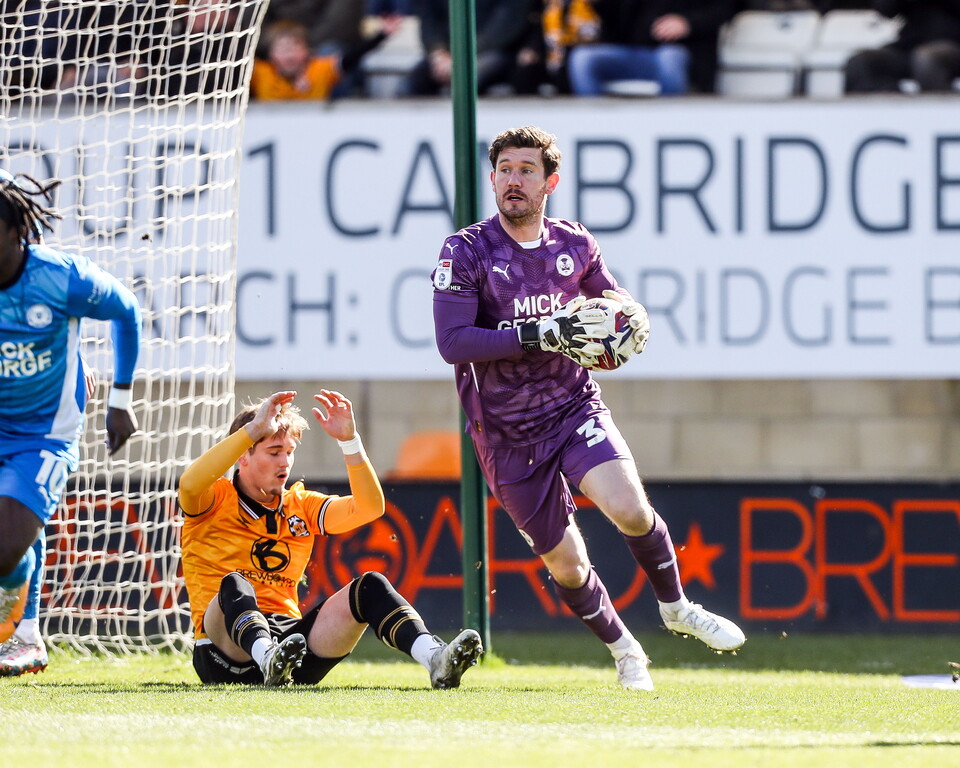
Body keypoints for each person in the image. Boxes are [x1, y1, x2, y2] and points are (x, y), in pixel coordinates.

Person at [431, 126, 746, 691]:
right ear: (493, 178)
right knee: (569, 566)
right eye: (504, 170)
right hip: (505, 433)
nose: (513, 181)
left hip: (573, 407)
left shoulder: (574, 244)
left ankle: (676, 607)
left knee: (629, 508)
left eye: (527, 170)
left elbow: (608, 297)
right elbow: (453, 343)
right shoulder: (467, 250)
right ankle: (627, 653)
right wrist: (542, 331)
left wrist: (628, 312)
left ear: (550, 183)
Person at [178, 389, 483, 688]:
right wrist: (252, 431)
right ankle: (266, 656)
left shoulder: (300, 505)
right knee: (235, 584)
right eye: (274, 452)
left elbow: (369, 508)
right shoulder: (214, 499)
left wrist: (350, 441)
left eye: (289, 452)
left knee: (371, 586)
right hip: (224, 655)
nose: (285, 462)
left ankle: (434, 658)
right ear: (243, 456)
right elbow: (189, 484)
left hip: (290, 653)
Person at [0, 171, 142, 673]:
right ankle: (23, 632)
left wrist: (121, 398)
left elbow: (126, 310)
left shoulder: (61, 278)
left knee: (7, 546)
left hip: (43, 434)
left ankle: (20, 629)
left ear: (17, 230)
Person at [566, 0, 738, 96]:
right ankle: (597, 126)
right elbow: (615, 19)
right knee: (582, 59)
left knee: (669, 58)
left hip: (683, 52)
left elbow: (727, 8)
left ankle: (672, 126)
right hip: (632, 53)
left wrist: (687, 23)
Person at [250, 16, 400, 101]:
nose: (289, 55)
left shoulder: (319, 69)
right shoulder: (261, 72)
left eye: (294, 48)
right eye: (282, 49)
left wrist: (380, 36)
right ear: (271, 54)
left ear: (307, 51)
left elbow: (351, 58)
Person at [844, 0, 960, 93]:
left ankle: (938, 114)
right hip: (910, 45)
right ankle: (892, 110)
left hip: (953, 43)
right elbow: (885, 8)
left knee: (926, 59)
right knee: (860, 63)